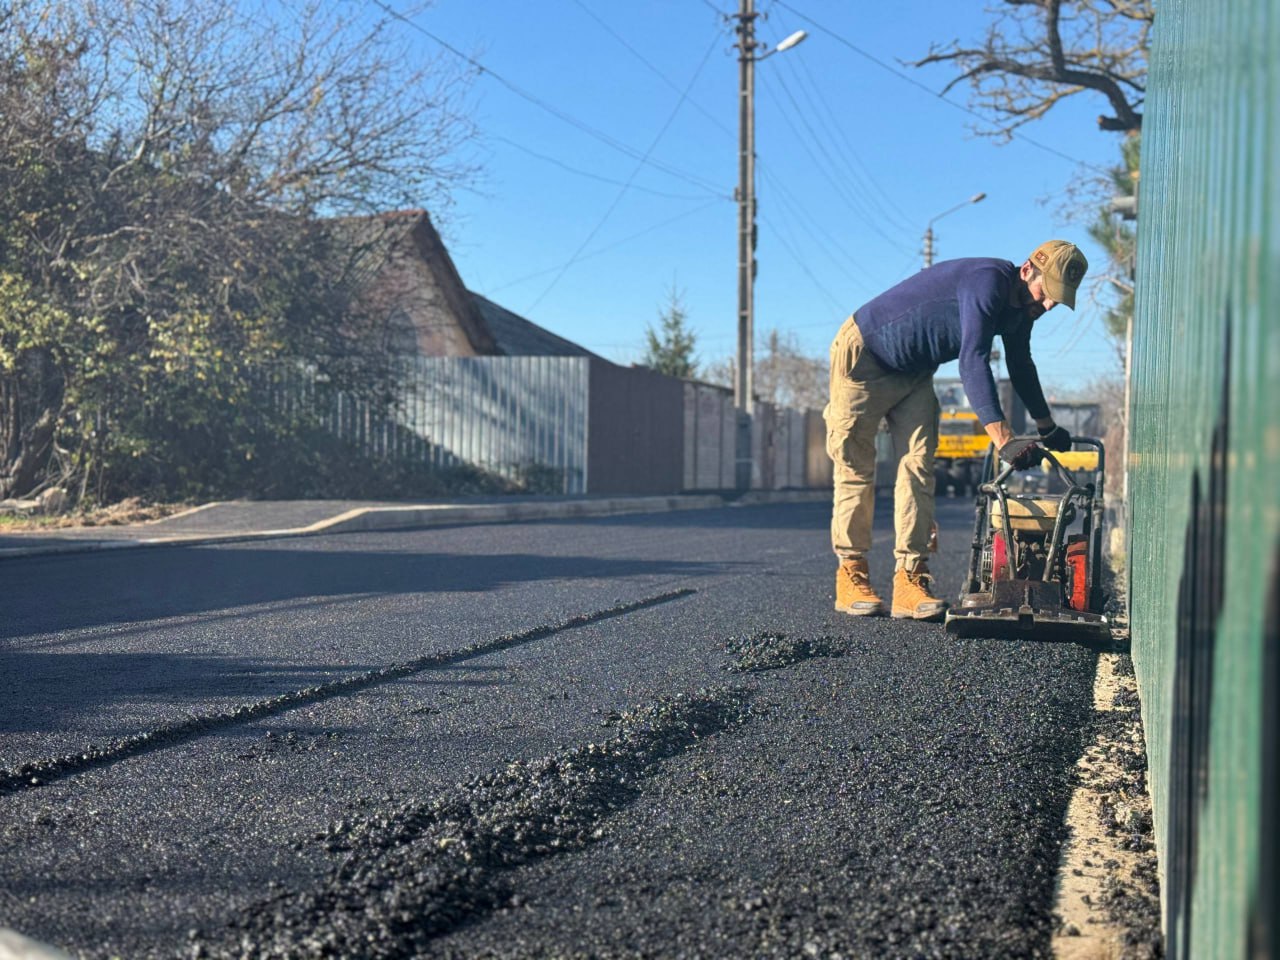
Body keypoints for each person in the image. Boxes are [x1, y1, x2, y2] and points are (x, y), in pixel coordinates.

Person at [824, 239, 1087, 621]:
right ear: (1028, 270)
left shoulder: (1020, 311)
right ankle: (851, 574)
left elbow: (1021, 365)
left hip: (913, 373)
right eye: (1046, 294)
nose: (1047, 306)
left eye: (1056, 302)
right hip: (866, 357)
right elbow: (973, 359)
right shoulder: (987, 282)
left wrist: (1047, 427)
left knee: (918, 466)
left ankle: (909, 580)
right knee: (856, 468)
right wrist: (1004, 440)